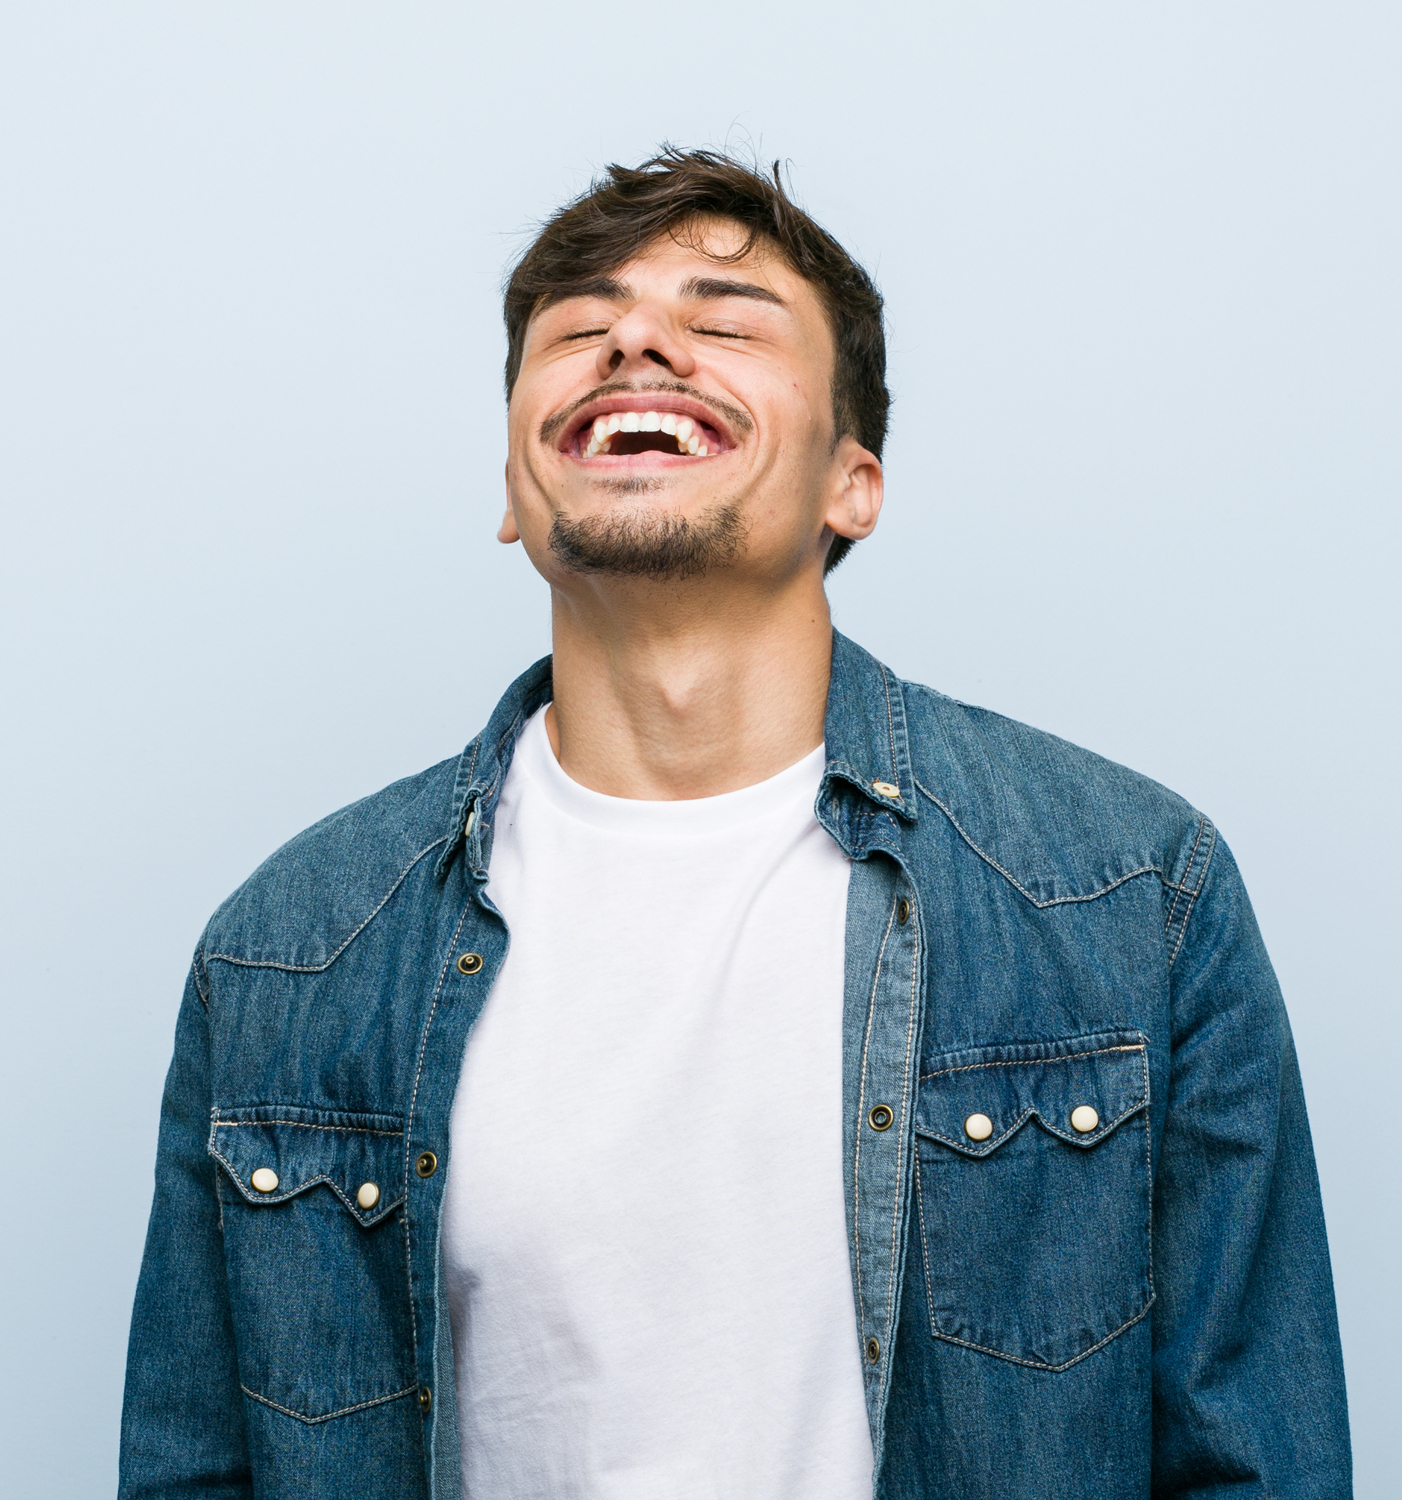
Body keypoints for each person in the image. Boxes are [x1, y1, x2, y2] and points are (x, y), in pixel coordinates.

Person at [118, 148, 1350, 1500]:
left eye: (725, 323)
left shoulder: (1128, 894)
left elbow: (1257, 1467)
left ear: (851, 483)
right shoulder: (288, 952)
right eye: (579, 330)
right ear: (514, 490)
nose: (636, 342)